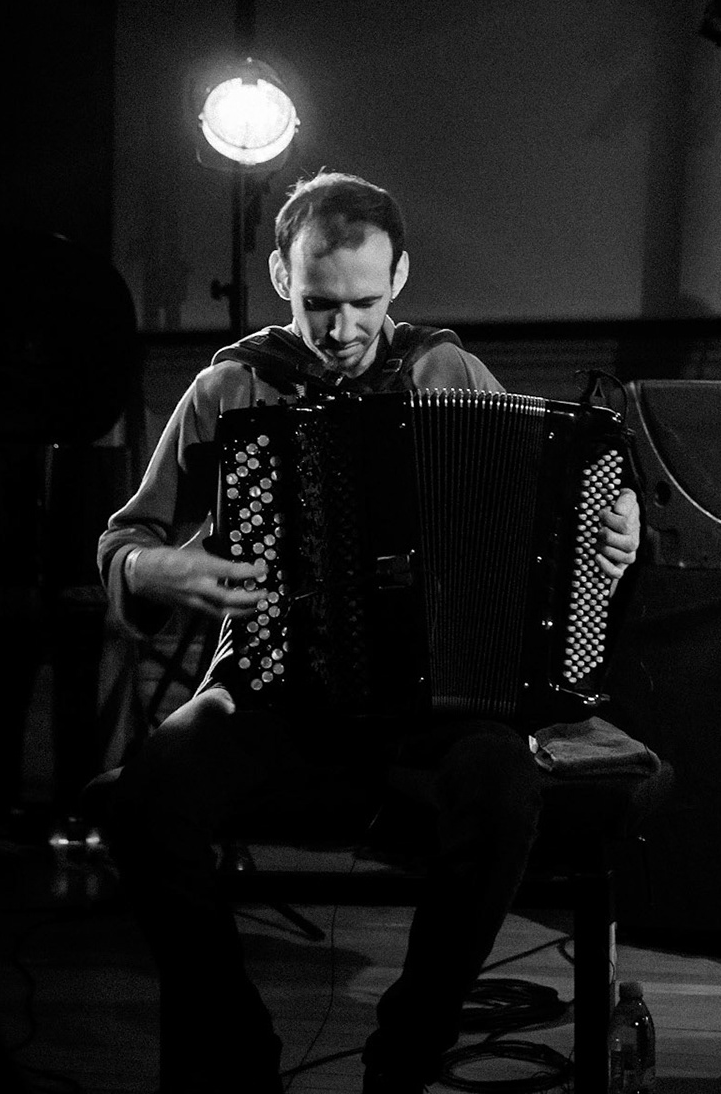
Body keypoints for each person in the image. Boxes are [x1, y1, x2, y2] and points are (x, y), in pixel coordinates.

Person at [96, 170, 641, 1093]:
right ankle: (237, 1052)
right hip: (271, 691)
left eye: (362, 302)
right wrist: (153, 568)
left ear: (398, 281)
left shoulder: (446, 373)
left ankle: (408, 1048)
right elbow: (129, 536)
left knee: (503, 784)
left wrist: (614, 519)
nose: (341, 331)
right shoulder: (231, 386)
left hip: (440, 703)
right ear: (279, 275)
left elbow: (554, 509)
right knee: (141, 800)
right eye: (317, 303)